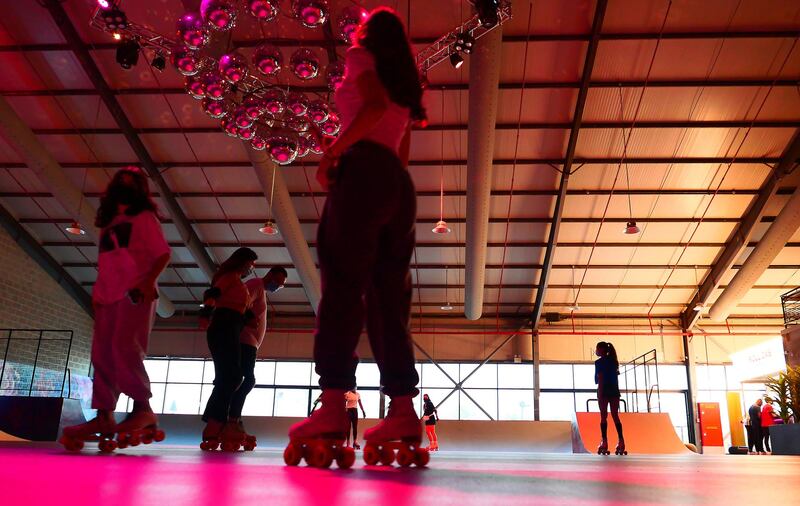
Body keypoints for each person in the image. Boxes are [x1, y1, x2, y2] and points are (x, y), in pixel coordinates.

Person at [287, 6, 427, 464]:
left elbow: (371, 108)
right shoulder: (406, 82)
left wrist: (333, 153)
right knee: (390, 301)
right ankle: (403, 409)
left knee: (343, 289)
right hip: (397, 185)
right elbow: (400, 152)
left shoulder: (361, 57)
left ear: (368, 33)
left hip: (364, 173)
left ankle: (331, 404)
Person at [60, 167, 171, 448]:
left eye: (133, 182)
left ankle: (143, 409)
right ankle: (104, 414)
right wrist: (97, 292)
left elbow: (162, 254)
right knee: (102, 355)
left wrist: (148, 281)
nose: (126, 185)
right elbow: (108, 262)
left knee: (125, 348)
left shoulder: (144, 218)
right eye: (121, 180)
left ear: (141, 190)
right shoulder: (108, 224)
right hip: (107, 295)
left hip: (135, 292)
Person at [200, 247, 258, 450]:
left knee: (231, 377)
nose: (251, 268)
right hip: (222, 326)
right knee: (232, 377)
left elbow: (243, 307)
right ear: (241, 262)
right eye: (251, 264)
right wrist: (205, 314)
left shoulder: (238, 283)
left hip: (232, 328)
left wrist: (250, 319)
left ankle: (215, 422)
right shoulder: (229, 276)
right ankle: (215, 423)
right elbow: (214, 293)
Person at [224, 266, 288, 444]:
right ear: (271, 276)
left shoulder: (260, 289)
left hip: (249, 342)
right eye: (278, 283)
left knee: (242, 380)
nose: (277, 287)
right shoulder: (255, 285)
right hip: (245, 340)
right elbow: (240, 303)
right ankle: (232, 419)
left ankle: (234, 418)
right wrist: (249, 319)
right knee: (246, 380)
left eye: (280, 286)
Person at [595, 341, 625, 455]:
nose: (596, 351)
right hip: (614, 391)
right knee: (615, 416)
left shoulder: (598, 362)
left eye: (597, 348)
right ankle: (621, 441)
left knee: (603, 417)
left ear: (601, 350)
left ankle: (604, 441)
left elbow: (599, 379)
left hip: (604, 390)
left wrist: (600, 393)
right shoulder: (614, 361)